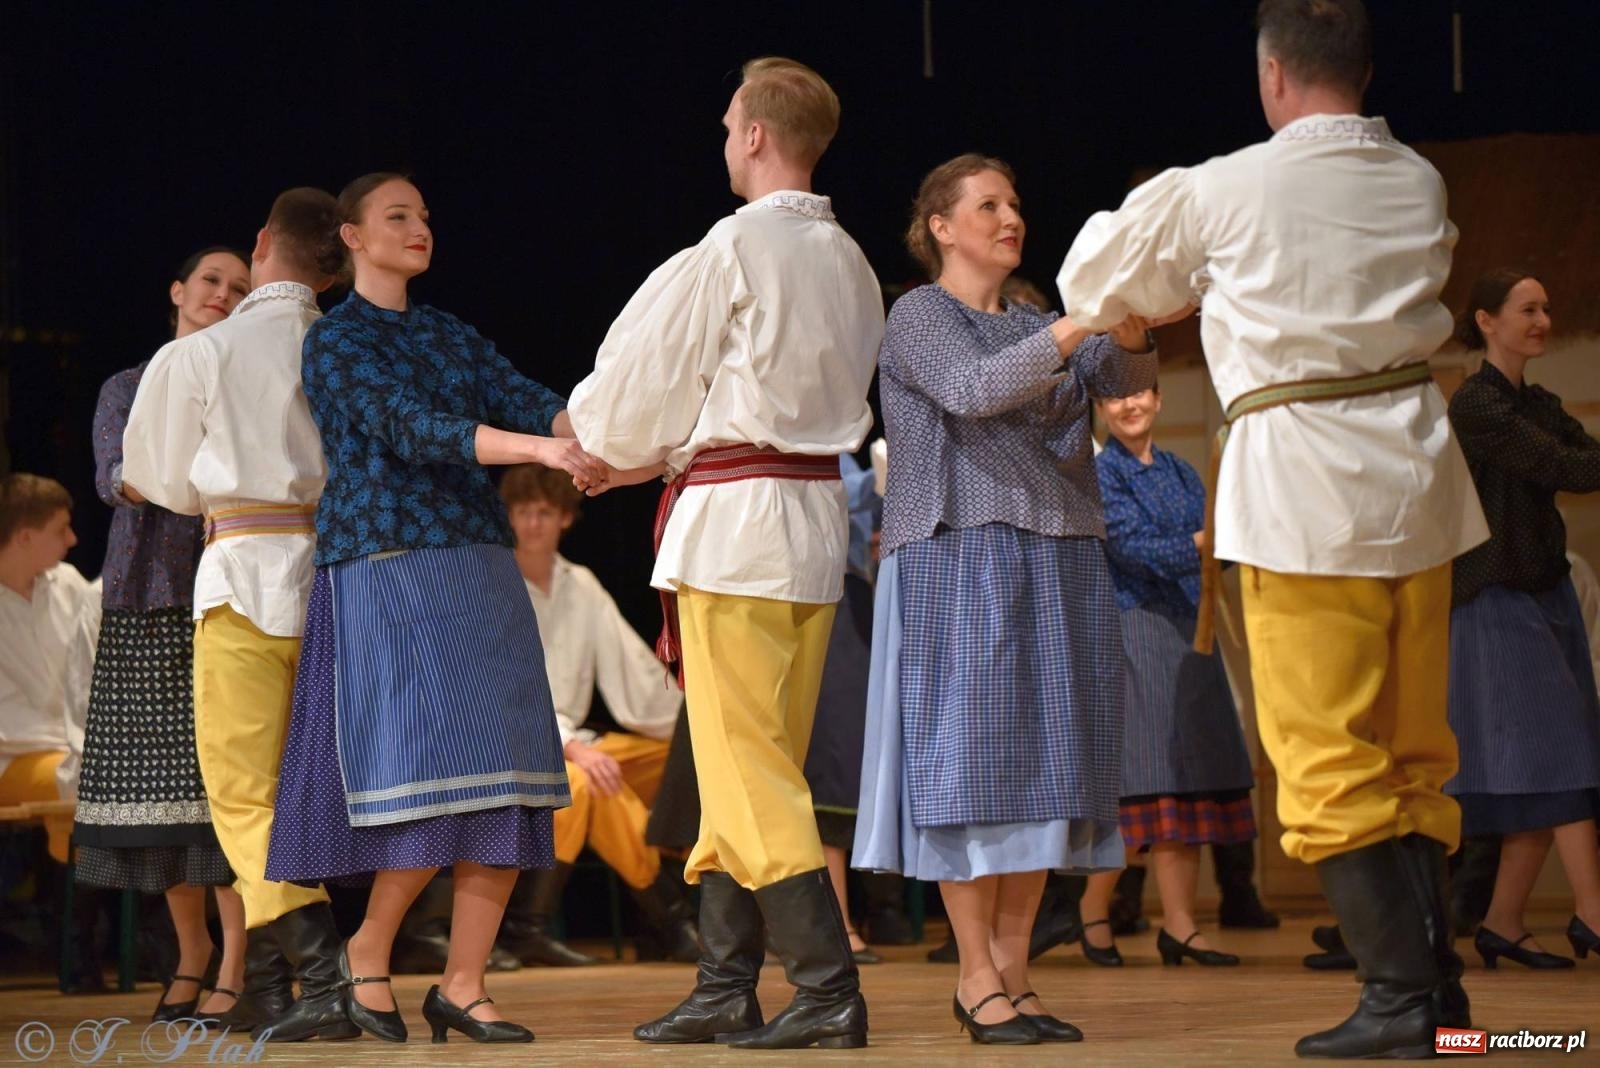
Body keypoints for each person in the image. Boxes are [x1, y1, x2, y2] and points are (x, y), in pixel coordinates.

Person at [1056, 0, 1488, 1056]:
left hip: (1306, 493)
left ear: (1273, 76)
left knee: (1323, 750)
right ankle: (1439, 995)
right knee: (1412, 749)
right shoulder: (1415, 179)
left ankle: (1396, 1000)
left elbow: (1091, 280)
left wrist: (1171, 279)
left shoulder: (1228, 186)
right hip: (1419, 484)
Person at [567, 57, 881, 1050]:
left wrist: (606, 447)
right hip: (810, 517)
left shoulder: (738, 244)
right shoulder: (851, 260)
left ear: (753, 135)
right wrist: (646, 456)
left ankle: (827, 989)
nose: (723, 141)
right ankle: (723, 983)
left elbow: (641, 374)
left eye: (726, 126)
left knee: (747, 769)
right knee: (755, 759)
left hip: (740, 526)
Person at [263, 173, 604, 1045]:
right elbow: (409, 427)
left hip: (479, 565)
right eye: (398, 217)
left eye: (425, 216)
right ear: (350, 235)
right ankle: (368, 950)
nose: (419, 229)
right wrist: (540, 449)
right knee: (426, 775)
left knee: (507, 776)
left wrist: (600, 437)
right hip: (390, 566)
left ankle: (463, 981)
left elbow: (526, 395)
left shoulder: (449, 331)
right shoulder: (335, 343)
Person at [855, 152, 1157, 1046]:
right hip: (960, 551)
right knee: (971, 767)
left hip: (1059, 552)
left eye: (1016, 203)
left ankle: (1015, 977)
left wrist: (1133, 319)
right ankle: (974, 974)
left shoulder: (1034, 319)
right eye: (987, 204)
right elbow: (977, 389)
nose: (1009, 216)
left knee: (1049, 775)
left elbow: (1127, 378)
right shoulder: (918, 316)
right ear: (941, 227)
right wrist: (1078, 327)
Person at [121, 189, 351, 1040]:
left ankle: (323, 977)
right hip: (336, 580)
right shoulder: (346, 343)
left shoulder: (204, 351)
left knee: (243, 793)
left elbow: (160, 479)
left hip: (245, 573)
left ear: (262, 245)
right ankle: (318, 978)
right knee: (319, 789)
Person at [73, 247, 252, 1025]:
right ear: (178, 290)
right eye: (210, 280)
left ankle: (240, 965)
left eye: (239, 287)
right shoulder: (128, 385)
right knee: (163, 801)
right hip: (146, 601)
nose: (222, 293)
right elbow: (121, 477)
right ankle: (192, 953)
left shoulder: (243, 385)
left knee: (227, 798)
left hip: (227, 597)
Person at [1444, 270, 1600, 969]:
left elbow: (1585, 463)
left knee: (1550, 762)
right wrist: (1570, 457)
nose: (1542, 319)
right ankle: (1594, 911)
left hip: (1549, 591)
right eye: (1527, 309)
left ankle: (1504, 920)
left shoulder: (1539, 400)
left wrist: (1572, 456)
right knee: (1564, 750)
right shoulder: (1476, 404)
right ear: (1486, 321)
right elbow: (1557, 462)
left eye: (1545, 307)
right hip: (1497, 597)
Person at [1081, 383, 1257, 968]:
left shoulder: (1182, 470)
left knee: (1189, 781)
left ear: (1159, 399)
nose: (1128, 406)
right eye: (1114, 398)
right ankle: (1091, 913)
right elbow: (1133, 549)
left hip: (1192, 628)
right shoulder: (1101, 473)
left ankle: (1180, 924)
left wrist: (1224, 543)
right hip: (1138, 628)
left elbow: (1220, 544)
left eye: (1138, 394)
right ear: (1101, 409)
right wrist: (1205, 543)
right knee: (1151, 781)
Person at [493, 463, 697, 966]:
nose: (534, 523)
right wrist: (572, 748)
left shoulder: (580, 583)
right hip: (515, 747)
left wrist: (693, 720)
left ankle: (675, 922)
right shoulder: (494, 585)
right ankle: (669, 921)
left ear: (565, 517)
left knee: (683, 760)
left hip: (577, 741)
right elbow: (504, 694)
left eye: (545, 511)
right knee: (584, 784)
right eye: (523, 512)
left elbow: (632, 667)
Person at [801, 452, 891, 965]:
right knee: (827, 772)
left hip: (852, 600)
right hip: (818, 600)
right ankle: (835, 922)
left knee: (845, 771)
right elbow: (848, 495)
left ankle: (841, 918)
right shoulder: (812, 437)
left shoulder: (841, 441)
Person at [0, 474, 98, 866]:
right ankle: (82, 919)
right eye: (60, 529)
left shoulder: (69, 584)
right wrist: (78, 745)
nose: (72, 539)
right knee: (89, 783)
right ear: (24, 537)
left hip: (74, 745)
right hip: (14, 757)